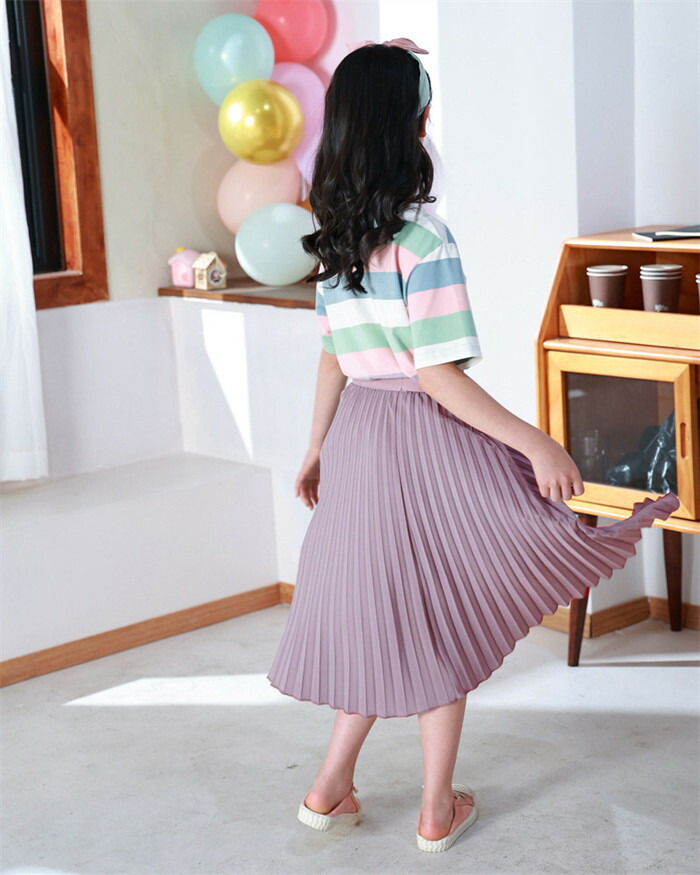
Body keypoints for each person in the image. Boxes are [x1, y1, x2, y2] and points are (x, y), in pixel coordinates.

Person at [266, 37, 680, 853]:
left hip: (358, 438)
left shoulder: (336, 234)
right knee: (441, 616)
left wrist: (315, 447)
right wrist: (537, 443)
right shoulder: (425, 237)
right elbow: (438, 378)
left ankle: (328, 787)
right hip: (422, 443)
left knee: (382, 615)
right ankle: (434, 808)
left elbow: (333, 355)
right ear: (413, 126)